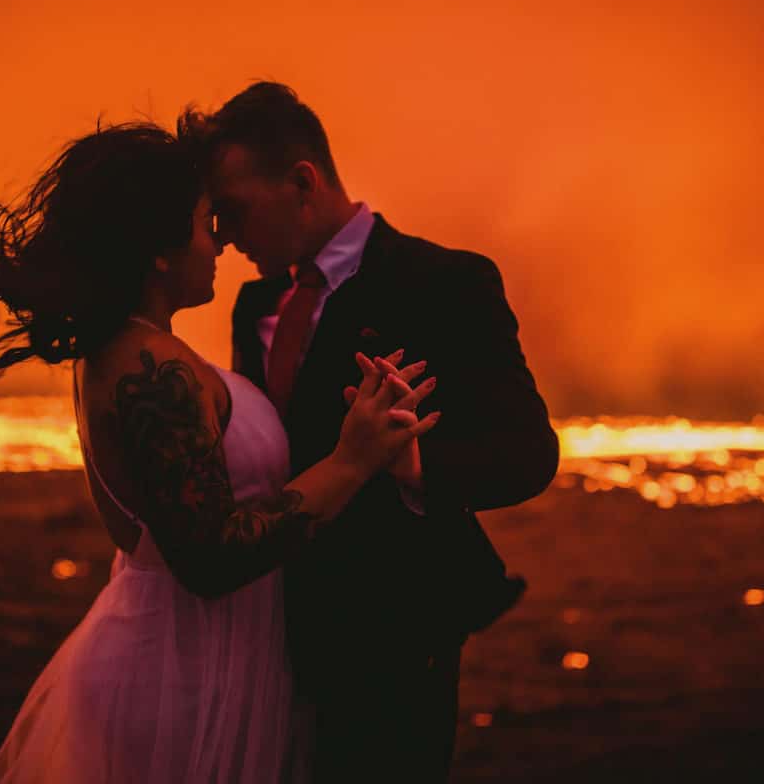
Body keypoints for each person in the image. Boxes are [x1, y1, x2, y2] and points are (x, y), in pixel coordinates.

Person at [0, 120, 440, 783]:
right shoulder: (152, 368)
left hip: (197, 659)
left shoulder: (130, 348)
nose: (220, 242)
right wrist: (351, 460)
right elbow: (211, 557)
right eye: (206, 222)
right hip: (182, 682)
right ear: (159, 249)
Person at [209, 82, 561, 782]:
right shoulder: (255, 304)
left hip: (395, 634)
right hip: (270, 626)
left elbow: (530, 454)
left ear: (301, 182)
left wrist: (416, 466)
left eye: (234, 210)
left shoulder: (445, 282)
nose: (224, 236)